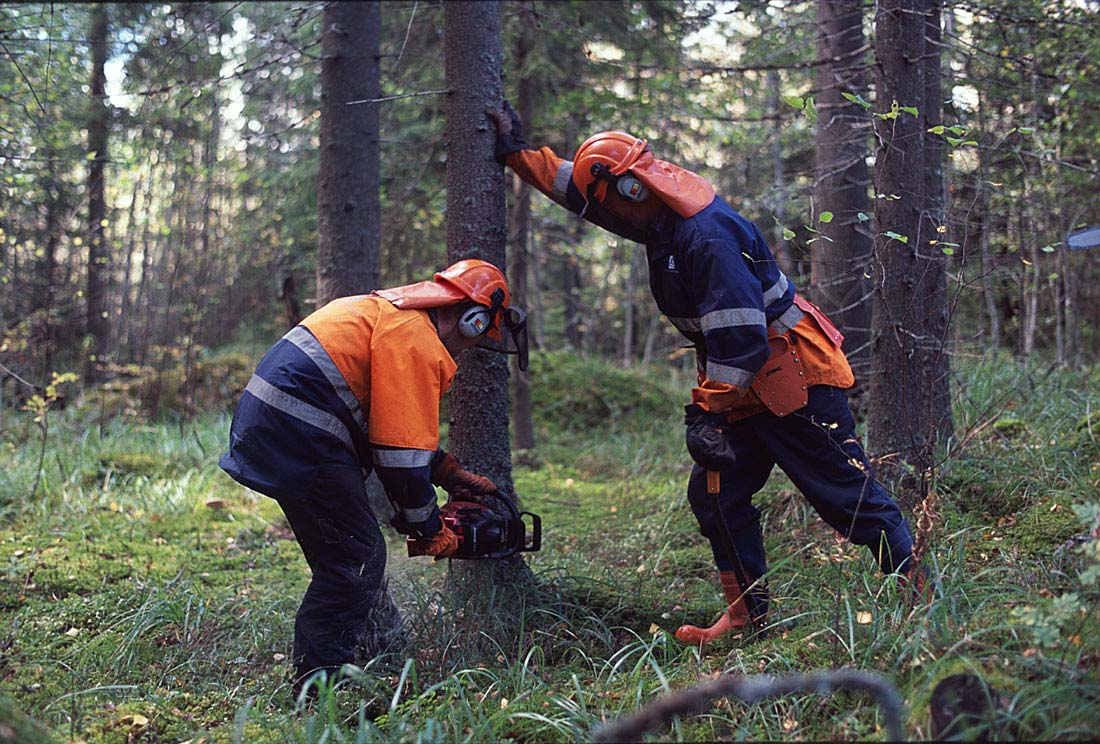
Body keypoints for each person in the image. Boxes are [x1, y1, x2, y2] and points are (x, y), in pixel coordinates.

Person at [489, 103, 913, 645]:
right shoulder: (656, 210)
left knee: (844, 493)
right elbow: (588, 192)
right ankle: (746, 618)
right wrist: (520, 155)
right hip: (744, 384)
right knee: (715, 494)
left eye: (613, 204)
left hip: (791, 378)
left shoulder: (704, 237)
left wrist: (704, 411)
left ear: (635, 190)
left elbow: (741, 339)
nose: (609, 216)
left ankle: (920, 590)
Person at [218, 259, 529, 693]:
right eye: (478, 337)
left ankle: (371, 657)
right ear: (475, 320)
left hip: (283, 423)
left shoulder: (398, 318)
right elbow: (399, 457)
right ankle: (319, 692)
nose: (469, 347)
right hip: (300, 429)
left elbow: (387, 420)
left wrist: (446, 471)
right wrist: (430, 526)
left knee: (347, 555)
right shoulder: (415, 339)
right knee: (353, 562)